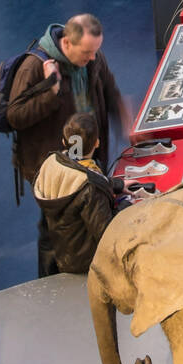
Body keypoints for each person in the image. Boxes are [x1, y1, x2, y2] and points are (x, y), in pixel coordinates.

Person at [6, 14, 127, 276]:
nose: (92, 58)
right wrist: (51, 92)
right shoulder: (33, 68)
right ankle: (49, 278)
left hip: (86, 156)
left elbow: (109, 90)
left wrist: (126, 123)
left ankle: (88, 267)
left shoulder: (92, 58)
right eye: (87, 52)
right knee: (55, 227)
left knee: (87, 215)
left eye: (95, 51)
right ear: (67, 44)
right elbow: (15, 116)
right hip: (53, 167)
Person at [32, 111, 124, 274]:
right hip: (86, 262)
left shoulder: (52, 164)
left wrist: (114, 184)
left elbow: (76, 174)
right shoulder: (88, 188)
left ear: (63, 141)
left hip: (60, 252)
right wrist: (126, 206)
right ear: (97, 143)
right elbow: (106, 233)